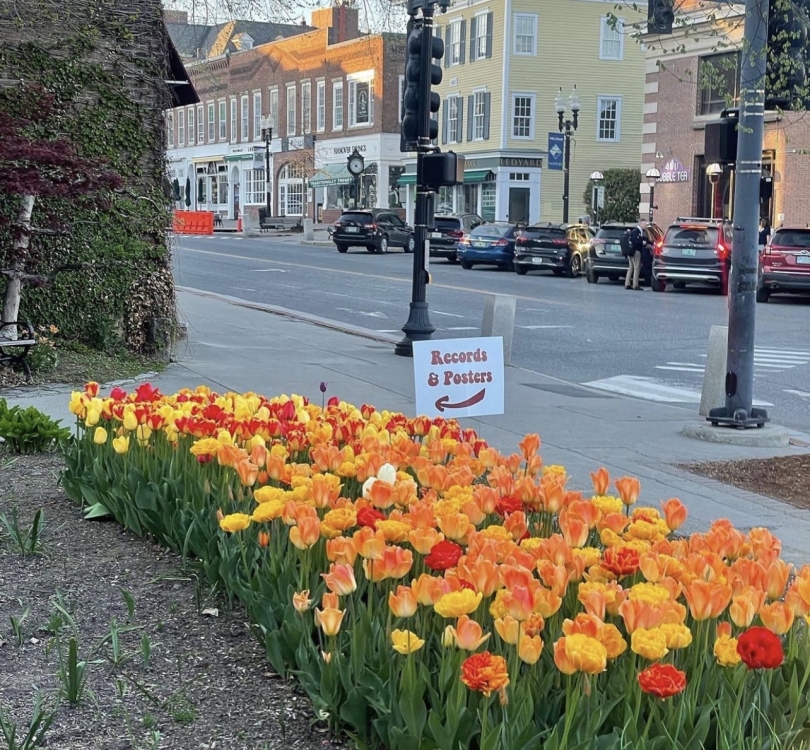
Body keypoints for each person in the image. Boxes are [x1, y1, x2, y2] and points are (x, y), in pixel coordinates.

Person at [626, 218, 651, 290]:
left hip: (630, 251)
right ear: (641, 224)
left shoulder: (635, 231)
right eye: (645, 224)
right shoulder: (637, 231)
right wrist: (642, 242)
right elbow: (635, 241)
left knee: (631, 267)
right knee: (637, 267)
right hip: (636, 251)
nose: (646, 226)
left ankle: (627, 283)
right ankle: (635, 285)